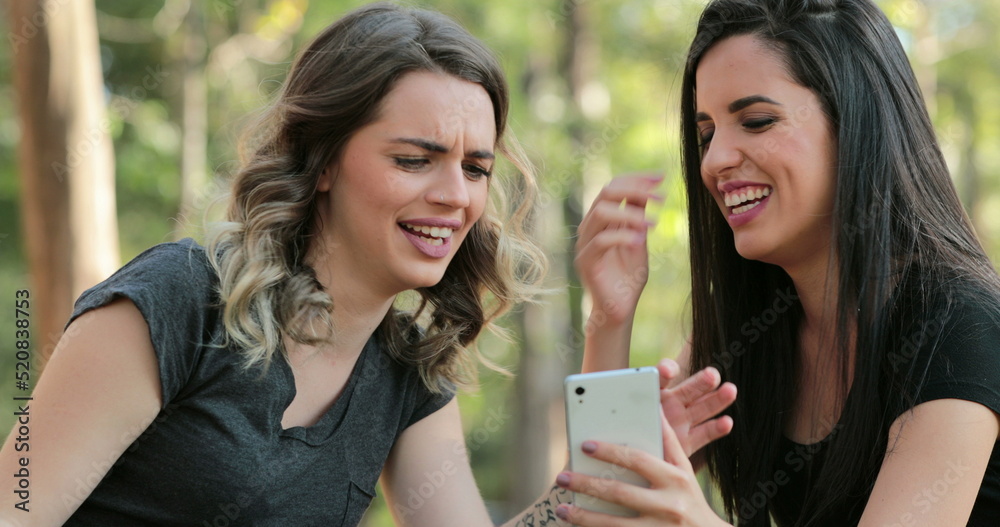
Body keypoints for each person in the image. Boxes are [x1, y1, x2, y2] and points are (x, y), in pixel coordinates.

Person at [0, 3, 739, 526]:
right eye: (415, 159)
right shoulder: (175, 300)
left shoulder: (405, 369)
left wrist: (617, 456)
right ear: (322, 162)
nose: (454, 195)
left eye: (476, 168)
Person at [567, 0, 1000, 525]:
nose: (715, 160)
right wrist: (608, 321)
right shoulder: (748, 327)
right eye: (706, 135)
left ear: (856, 121)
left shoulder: (961, 326)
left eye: (756, 120)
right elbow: (597, 507)